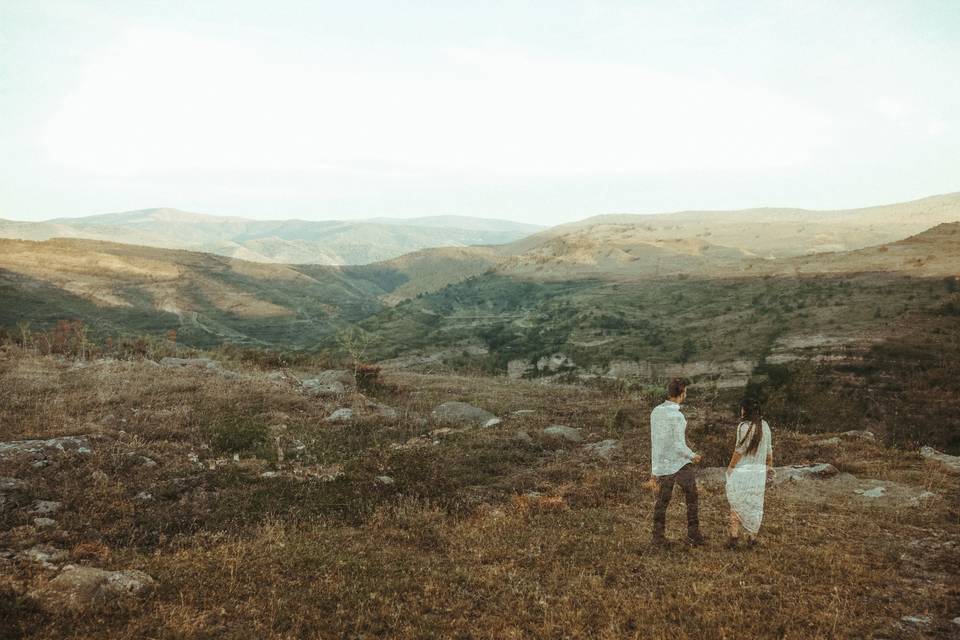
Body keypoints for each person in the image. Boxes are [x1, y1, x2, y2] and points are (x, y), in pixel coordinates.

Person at [650, 378, 705, 547]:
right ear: (682, 394)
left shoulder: (656, 411)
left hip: (663, 462)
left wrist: (655, 467)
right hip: (678, 463)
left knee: (663, 500)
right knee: (692, 496)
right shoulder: (678, 416)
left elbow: (656, 440)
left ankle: (658, 536)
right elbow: (678, 444)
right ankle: (693, 534)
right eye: (685, 392)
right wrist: (692, 455)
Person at [725, 398, 774, 549]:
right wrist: (769, 467)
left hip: (742, 471)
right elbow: (769, 450)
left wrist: (730, 467)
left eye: (742, 409)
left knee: (736, 502)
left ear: (745, 411)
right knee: (755, 504)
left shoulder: (743, 427)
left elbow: (739, 450)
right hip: (758, 473)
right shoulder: (764, 425)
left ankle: (734, 538)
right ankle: (752, 539)